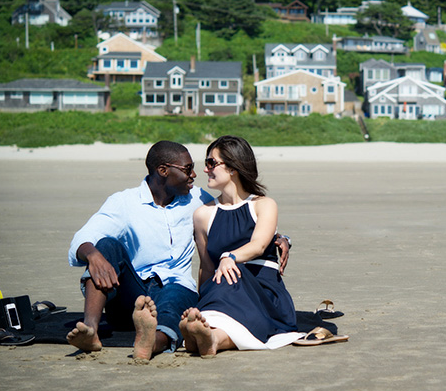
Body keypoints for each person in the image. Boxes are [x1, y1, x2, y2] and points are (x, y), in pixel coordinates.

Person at [64, 141, 289, 361]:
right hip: (131, 294)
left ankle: (151, 342)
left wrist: (278, 238)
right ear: (163, 170)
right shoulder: (124, 202)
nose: (195, 174)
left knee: (176, 297)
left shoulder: (198, 199)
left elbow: (237, 216)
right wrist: (93, 255)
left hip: (175, 286)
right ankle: (90, 330)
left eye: (204, 164)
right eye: (188, 169)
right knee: (104, 246)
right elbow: (82, 239)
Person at [179, 136, 300, 356]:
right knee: (219, 294)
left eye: (211, 163)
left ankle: (205, 337)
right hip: (223, 287)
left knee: (232, 278)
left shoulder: (263, 205)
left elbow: (258, 245)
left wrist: (229, 257)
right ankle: (207, 336)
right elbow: (206, 267)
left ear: (233, 167)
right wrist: (202, 301)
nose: (206, 170)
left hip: (262, 290)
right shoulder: (203, 215)